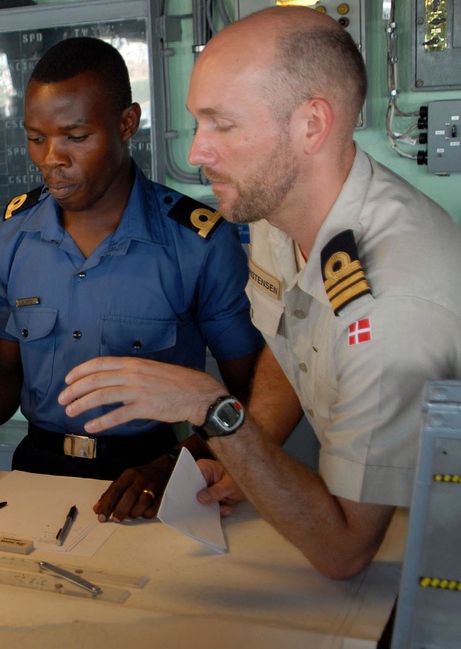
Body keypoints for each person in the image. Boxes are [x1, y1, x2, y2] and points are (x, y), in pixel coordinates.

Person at [58, 7, 461, 580]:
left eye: (222, 125)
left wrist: (211, 409)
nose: (196, 153)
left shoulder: (393, 306)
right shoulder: (282, 208)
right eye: (198, 123)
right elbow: (288, 332)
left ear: (311, 125)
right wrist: (249, 456)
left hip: (422, 556)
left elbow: (344, 549)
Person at [0, 37, 263, 523]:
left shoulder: (196, 243)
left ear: (127, 124)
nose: (49, 159)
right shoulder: (16, 234)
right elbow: (5, 372)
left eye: (75, 138)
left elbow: (247, 393)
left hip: (154, 475)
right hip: (37, 473)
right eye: (36, 137)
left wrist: (179, 463)